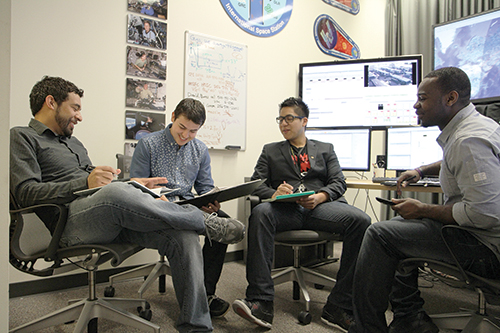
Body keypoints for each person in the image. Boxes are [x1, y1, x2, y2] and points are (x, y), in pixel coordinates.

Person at [10, 76, 245, 333]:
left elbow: (96, 186)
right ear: (51, 102)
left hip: (106, 216)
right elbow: (25, 193)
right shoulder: (22, 137)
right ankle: (204, 223)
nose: (79, 116)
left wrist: (135, 184)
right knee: (115, 193)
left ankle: (195, 325)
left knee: (183, 235)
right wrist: (90, 182)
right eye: (75, 108)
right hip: (67, 224)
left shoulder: (73, 142)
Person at [349, 67, 500, 333]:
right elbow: (455, 161)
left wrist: (424, 210)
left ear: (450, 98)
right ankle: (409, 318)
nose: (416, 105)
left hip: (486, 247)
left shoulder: (468, 139)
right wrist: (420, 171)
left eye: (422, 98)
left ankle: (368, 328)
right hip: (483, 235)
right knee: (397, 231)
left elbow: (484, 213)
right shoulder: (477, 126)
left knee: (380, 234)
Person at [232, 97, 371, 331]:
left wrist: (321, 196)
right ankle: (261, 302)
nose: (283, 124)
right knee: (261, 212)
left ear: (304, 121)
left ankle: (338, 305)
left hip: (320, 208)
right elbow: (257, 184)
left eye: (289, 118)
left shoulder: (325, 149)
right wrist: (274, 193)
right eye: (280, 119)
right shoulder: (271, 150)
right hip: (286, 210)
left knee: (362, 221)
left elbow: (339, 182)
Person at [130, 97, 244, 318]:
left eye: (193, 131)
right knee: (192, 230)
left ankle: (206, 293)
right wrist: (156, 197)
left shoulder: (200, 149)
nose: (185, 135)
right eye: (182, 127)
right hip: (158, 205)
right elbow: (137, 186)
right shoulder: (148, 144)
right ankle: (196, 302)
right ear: (173, 118)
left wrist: (210, 202)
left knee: (222, 222)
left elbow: (204, 187)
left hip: (188, 205)